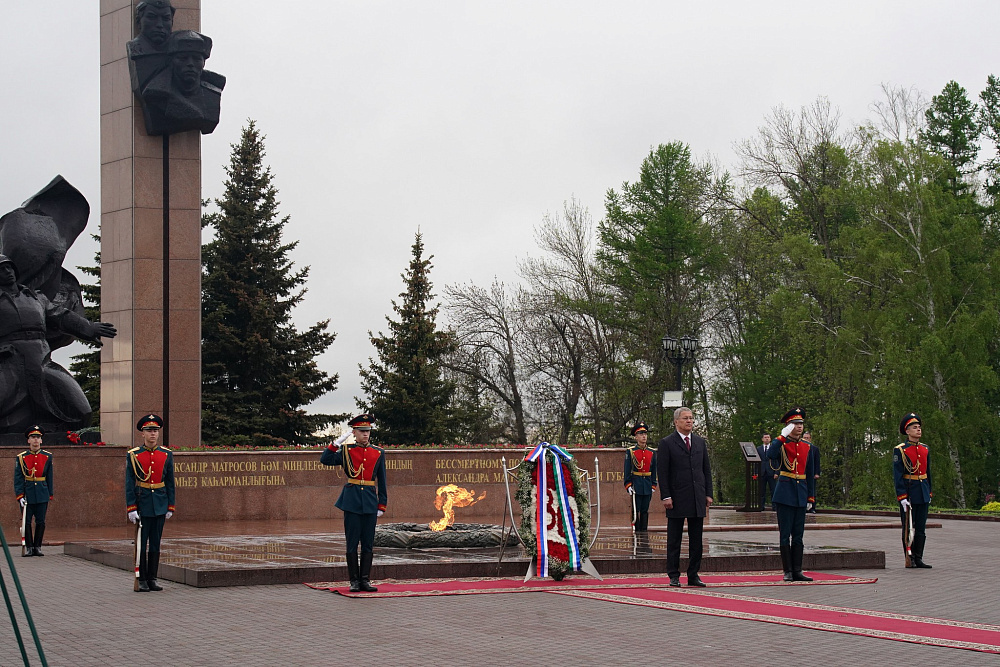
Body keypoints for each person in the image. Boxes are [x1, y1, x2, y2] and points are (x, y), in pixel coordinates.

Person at [0, 254, 117, 433]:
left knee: (80, 411)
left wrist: (88, 327)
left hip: (40, 359)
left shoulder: (35, 297)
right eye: (1, 269)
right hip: (8, 360)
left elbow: (60, 315)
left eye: (9, 267)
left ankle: (48, 433)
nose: (7, 272)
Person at [320, 414, 387, 593]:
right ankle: (354, 581)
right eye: (362, 431)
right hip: (351, 502)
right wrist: (336, 443)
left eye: (368, 431)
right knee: (352, 543)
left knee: (367, 543)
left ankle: (365, 580)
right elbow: (325, 460)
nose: (366, 434)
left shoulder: (378, 452)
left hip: (370, 502)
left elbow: (382, 479)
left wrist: (382, 504)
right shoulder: (346, 451)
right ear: (354, 432)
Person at [657, 407, 713, 587]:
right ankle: (673, 575)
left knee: (697, 540)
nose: (689, 421)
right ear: (676, 422)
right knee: (675, 539)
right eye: (685, 418)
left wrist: (708, 493)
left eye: (691, 418)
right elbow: (663, 472)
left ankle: (693, 574)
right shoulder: (667, 443)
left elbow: (706, 470)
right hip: (677, 497)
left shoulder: (699, 442)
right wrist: (666, 496)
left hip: (697, 496)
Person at [139, 30, 226, 136]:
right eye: (183, 58)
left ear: (203, 63)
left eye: (196, 59)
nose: (190, 64)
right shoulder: (156, 93)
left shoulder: (212, 94)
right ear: (171, 62)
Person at [125, 414, 175, 592]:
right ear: (142, 434)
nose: (152, 434)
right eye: (149, 431)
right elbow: (129, 483)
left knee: (155, 543)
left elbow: (170, 481)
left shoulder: (166, 454)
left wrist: (171, 505)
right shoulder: (134, 455)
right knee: (141, 543)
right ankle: (142, 579)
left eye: (155, 431)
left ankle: (153, 578)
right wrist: (131, 507)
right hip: (143, 503)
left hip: (160, 503)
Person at [767, 407, 816, 582]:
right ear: (788, 426)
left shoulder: (808, 447)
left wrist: (810, 497)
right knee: (784, 534)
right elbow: (770, 456)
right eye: (795, 423)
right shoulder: (781, 444)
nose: (799, 426)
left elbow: (809, 473)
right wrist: (781, 437)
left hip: (800, 493)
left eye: (801, 423)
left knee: (798, 535)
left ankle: (797, 570)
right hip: (785, 493)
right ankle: (787, 571)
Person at [893, 413, 932, 568]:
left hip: (922, 491)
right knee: (909, 528)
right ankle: (909, 557)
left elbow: (928, 472)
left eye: (919, 427)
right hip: (909, 492)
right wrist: (902, 496)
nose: (918, 430)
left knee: (921, 528)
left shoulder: (925, 449)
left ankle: (919, 557)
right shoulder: (900, 450)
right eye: (914, 428)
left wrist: (929, 491)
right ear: (907, 431)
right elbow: (898, 475)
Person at [14, 425, 53, 557]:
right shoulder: (21, 457)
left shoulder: (47, 456)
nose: (36, 440)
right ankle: (29, 547)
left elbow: (50, 476)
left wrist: (50, 494)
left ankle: (38, 546)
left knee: (41, 521)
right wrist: (20, 496)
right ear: (28, 440)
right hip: (28, 493)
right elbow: (18, 478)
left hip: (42, 493)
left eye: (38, 437)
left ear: (41, 440)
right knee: (27, 521)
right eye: (33, 437)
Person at [126, 0, 176, 94]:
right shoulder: (135, 49)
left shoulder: (178, 52)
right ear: (138, 21)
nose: (159, 25)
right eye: (152, 17)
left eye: (166, 19)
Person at [623, 422, 657, 531]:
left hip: (647, 483)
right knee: (635, 508)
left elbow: (654, 469)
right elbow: (627, 469)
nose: (644, 437)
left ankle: (644, 530)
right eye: (641, 434)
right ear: (636, 437)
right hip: (636, 484)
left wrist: (653, 485)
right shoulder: (631, 451)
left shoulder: (651, 452)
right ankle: (636, 530)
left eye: (645, 434)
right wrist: (628, 484)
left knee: (645, 509)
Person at [756, 433, 778, 510]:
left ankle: (774, 506)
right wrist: (756, 472)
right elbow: (756, 461)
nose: (767, 439)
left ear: (770, 439)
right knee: (762, 491)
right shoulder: (758, 449)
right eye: (765, 437)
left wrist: (776, 472)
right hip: (762, 472)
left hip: (771, 472)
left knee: (773, 490)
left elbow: (777, 461)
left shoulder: (773, 448)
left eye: (768, 437)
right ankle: (761, 506)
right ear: (762, 439)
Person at [803, 431, 821, 513]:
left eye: (807, 438)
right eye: (804, 438)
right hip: (803, 473)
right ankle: (803, 506)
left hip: (812, 473)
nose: (806, 439)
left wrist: (817, 473)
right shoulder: (800, 448)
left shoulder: (815, 449)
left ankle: (812, 507)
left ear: (810, 439)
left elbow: (817, 462)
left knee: (812, 489)